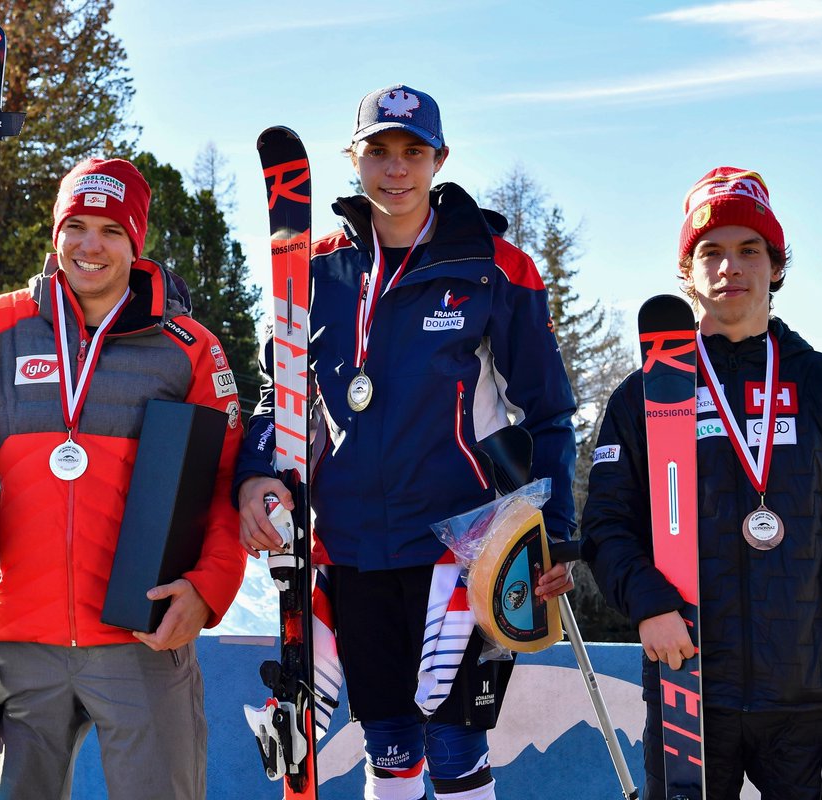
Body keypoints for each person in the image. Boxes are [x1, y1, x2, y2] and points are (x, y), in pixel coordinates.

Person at [235, 85, 577, 800]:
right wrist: (259, 473)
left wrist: (555, 540)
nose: (396, 169)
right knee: (387, 743)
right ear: (353, 159)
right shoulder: (315, 266)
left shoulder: (495, 266)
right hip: (352, 545)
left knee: (455, 743)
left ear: (439, 158)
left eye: (413, 152)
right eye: (379, 151)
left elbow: (548, 412)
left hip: (459, 548)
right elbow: (281, 393)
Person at [0, 157, 247, 800]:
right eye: (76, 226)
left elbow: (223, 480)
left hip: (141, 636)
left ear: (135, 241)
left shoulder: (189, 346)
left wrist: (206, 587)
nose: (90, 245)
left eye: (111, 231)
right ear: (56, 232)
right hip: (21, 639)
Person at [581, 166, 822, 799]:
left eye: (749, 249)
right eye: (711, 252)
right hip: (689, 689)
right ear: (687, 271)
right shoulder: (643, 396)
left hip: (810, 699)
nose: (730, 266)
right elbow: (607, 526)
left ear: (775, 266)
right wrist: (647, 601)